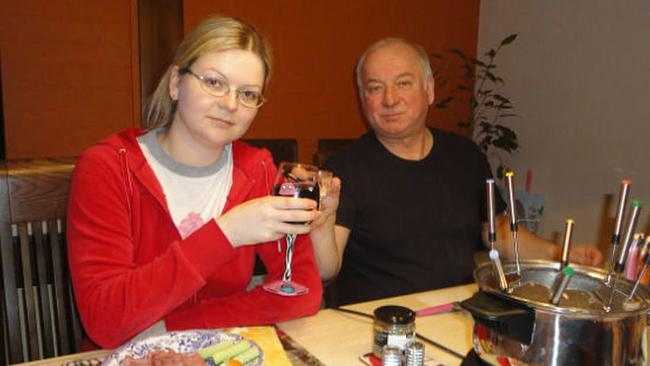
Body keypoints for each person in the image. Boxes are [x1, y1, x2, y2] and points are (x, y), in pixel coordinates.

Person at [67, 16, 337, 349]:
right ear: (175, 83)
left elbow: (301, 290)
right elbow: (106, 322)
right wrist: (227, 233)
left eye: (248, 93)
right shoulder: (109, 167)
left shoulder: (258, 169)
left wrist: (173, 326)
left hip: (220, 351)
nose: (230, 104)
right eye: (214, 82)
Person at [318, 38, 602, 306]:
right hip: (379, 324)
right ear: (362, 98)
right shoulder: (344, 169)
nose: (390, 99)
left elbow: (499, 234)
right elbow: (326, 268)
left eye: (403, 83)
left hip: (458, 314)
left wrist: (561, 255)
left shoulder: (466, 156)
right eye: (375, 88)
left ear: (429, 89)